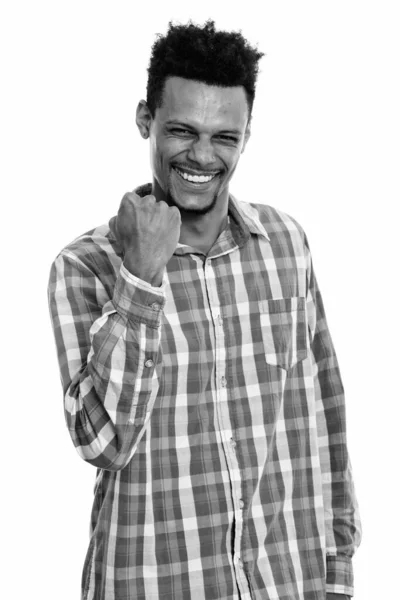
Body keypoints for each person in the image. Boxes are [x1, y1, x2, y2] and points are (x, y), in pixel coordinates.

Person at [48, 19, 361, 600]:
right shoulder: (84, 266)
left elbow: (325, 418)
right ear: (145, 120)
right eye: (181, 131)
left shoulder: (286, 244)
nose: (202, 156)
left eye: (224, 137)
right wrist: (140, 275)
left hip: (287, 583)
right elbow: (104, 444)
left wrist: (337, 572)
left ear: (246, 136)